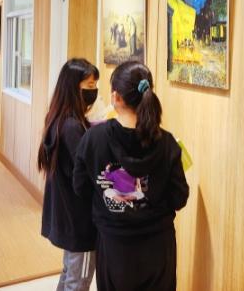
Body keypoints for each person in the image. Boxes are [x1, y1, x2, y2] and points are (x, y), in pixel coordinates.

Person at [73, 61, 189, 291]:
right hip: (158, 247)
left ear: (116, 97)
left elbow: (81, 188)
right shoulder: (167, 143)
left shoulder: (93, 139)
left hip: (113, 245)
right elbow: (179, 198)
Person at [37, 58, 100, 291]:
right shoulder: (72, 127)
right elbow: (86, 172)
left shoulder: (60, 119)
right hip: (80, 222)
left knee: (69, 274)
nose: (94, 92)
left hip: (68, 215)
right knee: (78, 281)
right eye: (90, 86)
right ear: (73, 88)